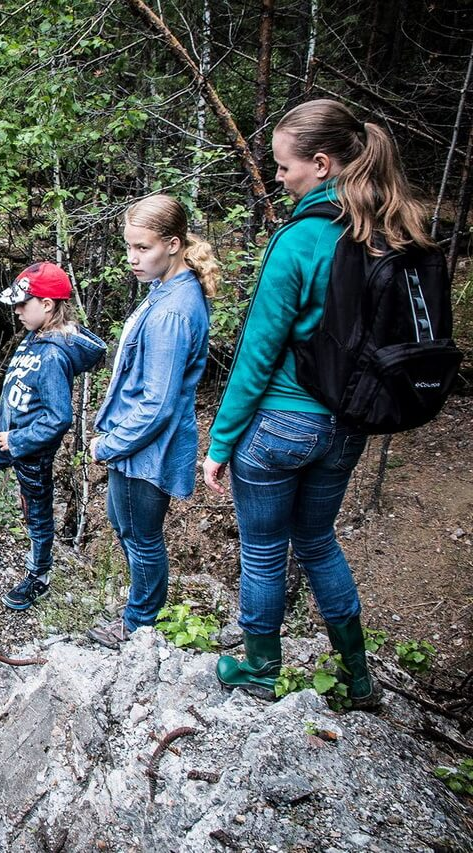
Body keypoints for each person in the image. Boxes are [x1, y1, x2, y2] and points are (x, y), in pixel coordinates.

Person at [206, 100, 435, 707]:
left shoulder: (302, 240)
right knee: (317, 542)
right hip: (347, 427)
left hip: (283, 423)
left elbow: (259, 352)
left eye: (284, 167)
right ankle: (359, 679)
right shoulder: (390, 235)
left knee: (261, 548)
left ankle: (259, 669)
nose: (278, 178)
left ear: (321, 164)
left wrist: (221, 441)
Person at [86, 195, 217, 649]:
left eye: (142, 248)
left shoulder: (174, 312)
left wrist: (108, 445)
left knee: (142, 537)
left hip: (147, 448)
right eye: (128, 248)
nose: (132, 259)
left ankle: (138, 623)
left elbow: (157, 404)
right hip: (136, 444)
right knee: (126, 526)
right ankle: (140, 611)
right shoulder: (166, 290)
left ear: (174, 244)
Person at [0, 262, 105, 610]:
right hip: (10, 436)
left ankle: (39, 575)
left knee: (36, 511)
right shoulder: (37, 337)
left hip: (29, 447)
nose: (16, 311)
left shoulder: (52, 355)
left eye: (23, 303)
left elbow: (58, 417)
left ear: (47, 304)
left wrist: (19, 441)